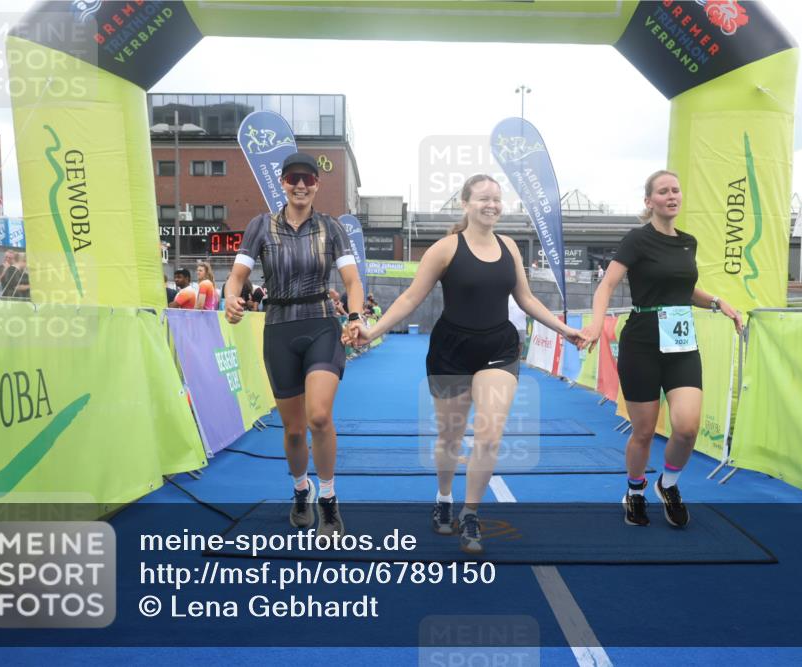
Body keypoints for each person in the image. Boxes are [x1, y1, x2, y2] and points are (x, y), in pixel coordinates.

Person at [347, 174, 584, 554]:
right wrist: (372, 331)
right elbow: (410, 298)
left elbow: (525, 298)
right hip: (451, 351)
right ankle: (444, 497)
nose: (492, 205)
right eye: (483, 198)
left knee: (489, 435)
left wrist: (563, 329)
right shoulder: (444, 249)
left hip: (499, 349)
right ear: (465, 203)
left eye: (497, 199)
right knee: (450, 437)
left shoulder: (509, 247)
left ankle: (471, 513)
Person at [582, 170, 742, 528]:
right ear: (649, 201)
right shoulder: (637, 240)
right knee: (643, 431)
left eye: (676, 190)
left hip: (681, 343)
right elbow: (606, 285)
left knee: (686, 428)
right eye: (663, 191)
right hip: (642, 342)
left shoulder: (688, 243)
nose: (672, 196)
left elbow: (683, 290)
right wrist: (595, 324)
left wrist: (719, 302)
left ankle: (668, 485)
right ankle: (635, 491)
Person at [223, 152, 364, 539]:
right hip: (279, 330)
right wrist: (230, 297)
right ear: (283, 183)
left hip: (321, 325)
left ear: (317, 184)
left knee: (318, 417)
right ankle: (302, 490)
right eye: (293, 178)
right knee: (295, 430)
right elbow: (236, 276)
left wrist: (355, 317)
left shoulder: (331, 228)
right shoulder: (260, 226)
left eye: (308, 179)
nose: (301, 185)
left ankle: (329, 500)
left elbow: (352, 281)